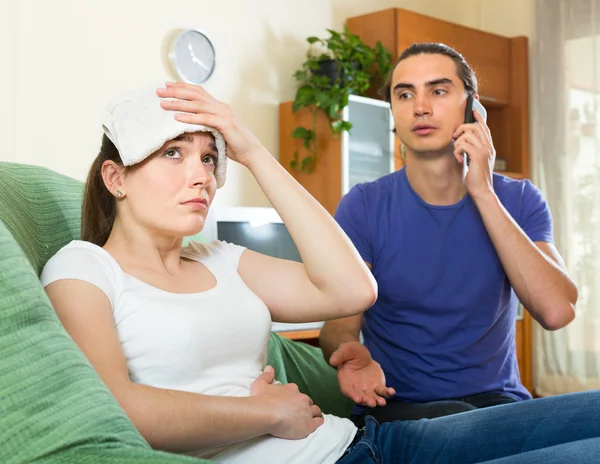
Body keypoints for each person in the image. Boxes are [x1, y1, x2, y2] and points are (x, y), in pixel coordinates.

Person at [40, 81, 599, 464]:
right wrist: (262, 413)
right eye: (173, 155)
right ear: (116, 178)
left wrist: (254, 152)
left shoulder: (221, 258)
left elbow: (352, 289)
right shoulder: (83, 268)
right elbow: (117, 406)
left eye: (209, 158)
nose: (202, 176)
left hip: (370, 442)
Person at [319, 42, 579, 427]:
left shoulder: (519, 199)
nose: (420, 107)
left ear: (473, 107)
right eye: (404, 94)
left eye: (438, 91)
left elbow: (557, 311)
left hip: (499, 405)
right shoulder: (363, 206)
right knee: (459, 419)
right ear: (393, 111)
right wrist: (349, 351)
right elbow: (338, 325)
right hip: (400, 411)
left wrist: (484, 192)